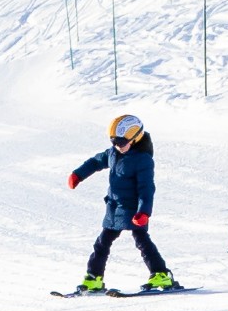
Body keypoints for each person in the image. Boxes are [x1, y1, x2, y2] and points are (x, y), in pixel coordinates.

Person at [64, 114, 181, 293]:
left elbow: (146, 188)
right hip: (114, 207)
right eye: (114, 142)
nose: (117, 145)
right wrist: (78, 174)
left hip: (134, 210)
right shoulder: (113, 153)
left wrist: (144, 212)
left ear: (135, 138)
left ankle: (161, 274)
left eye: (121, 142)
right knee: (102, 243)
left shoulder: (142, 160)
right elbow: (96, 162)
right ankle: (94, 278)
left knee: (142, 241)